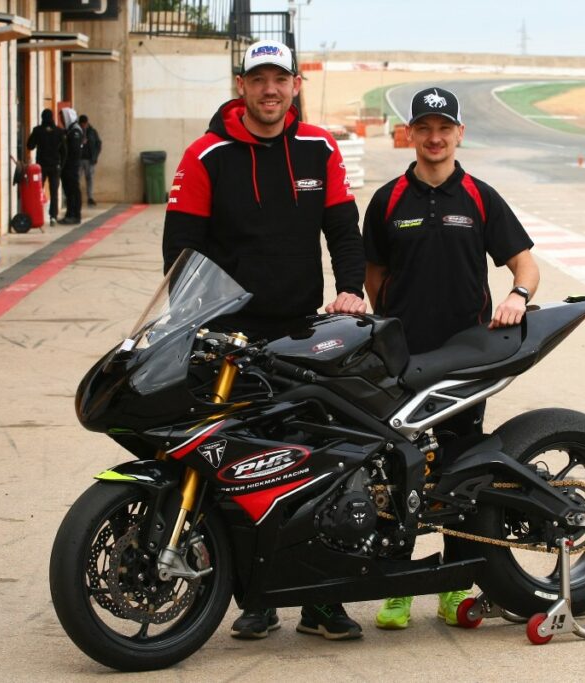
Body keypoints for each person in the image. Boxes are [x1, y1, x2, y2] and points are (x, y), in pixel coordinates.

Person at [162, 40, 367, 641]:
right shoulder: (207, 155)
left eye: (280, 78)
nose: (270, 89)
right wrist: (193, 321)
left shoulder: (318, 147)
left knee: (318, 465)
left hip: (301, 334)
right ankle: (256, 599)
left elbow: (343, 231)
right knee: (238, 471)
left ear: (295, 85)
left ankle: (322, 601)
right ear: (241, 85)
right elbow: (180, 250)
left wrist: (351, 289)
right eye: (259, 79)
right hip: (230, 344)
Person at [362, 86, 540, 630]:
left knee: (460, 476)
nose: (434, 138)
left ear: (459, 133)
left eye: (444, 128)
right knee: (395, 474)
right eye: (424, 128)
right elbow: (374, 282)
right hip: (405, 362)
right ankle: (396, 589)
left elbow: (525, 265)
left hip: (465, 361)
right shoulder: (388, 201)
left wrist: (518, 297)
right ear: (410, 135)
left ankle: (454, 584)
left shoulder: (481, 198)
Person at [26, 108, 65, 226]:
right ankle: (53, 216)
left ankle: (38, 215)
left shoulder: (37, 130)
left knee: (38, 191)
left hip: (41, 166)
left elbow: (30, 145)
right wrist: (61, 165)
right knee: (54, 192)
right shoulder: (59, 131)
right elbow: (64, 151)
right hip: (54, 166)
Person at [58, 108, 83, 225]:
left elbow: (73, 151)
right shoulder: (69, 130)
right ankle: (69, 213)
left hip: (72, 166)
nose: (62, 120)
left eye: (63, 118)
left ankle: (75, 215)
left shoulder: (75, 132)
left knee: (73, 190)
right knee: (68, 191)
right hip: (67, 166)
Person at [78, 114, 102, 206]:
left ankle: (90, 197)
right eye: (82, 124)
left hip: (89, 159)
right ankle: (77, 198)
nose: (84, 126)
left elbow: (98, 144)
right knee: (77, 179)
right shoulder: (77, 131)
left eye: (85, 124)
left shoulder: (92, 132)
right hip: (79, 159)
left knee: (90, 179)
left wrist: (95, 156)